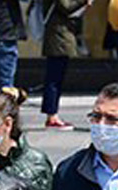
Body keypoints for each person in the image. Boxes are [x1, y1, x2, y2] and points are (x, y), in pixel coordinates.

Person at [41, 0, 89, 130]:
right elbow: (65, 6)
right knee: (54, 78)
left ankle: (52, 114)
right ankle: (52, 116)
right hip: (58, 36)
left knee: (55, 77)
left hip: (60, 34)